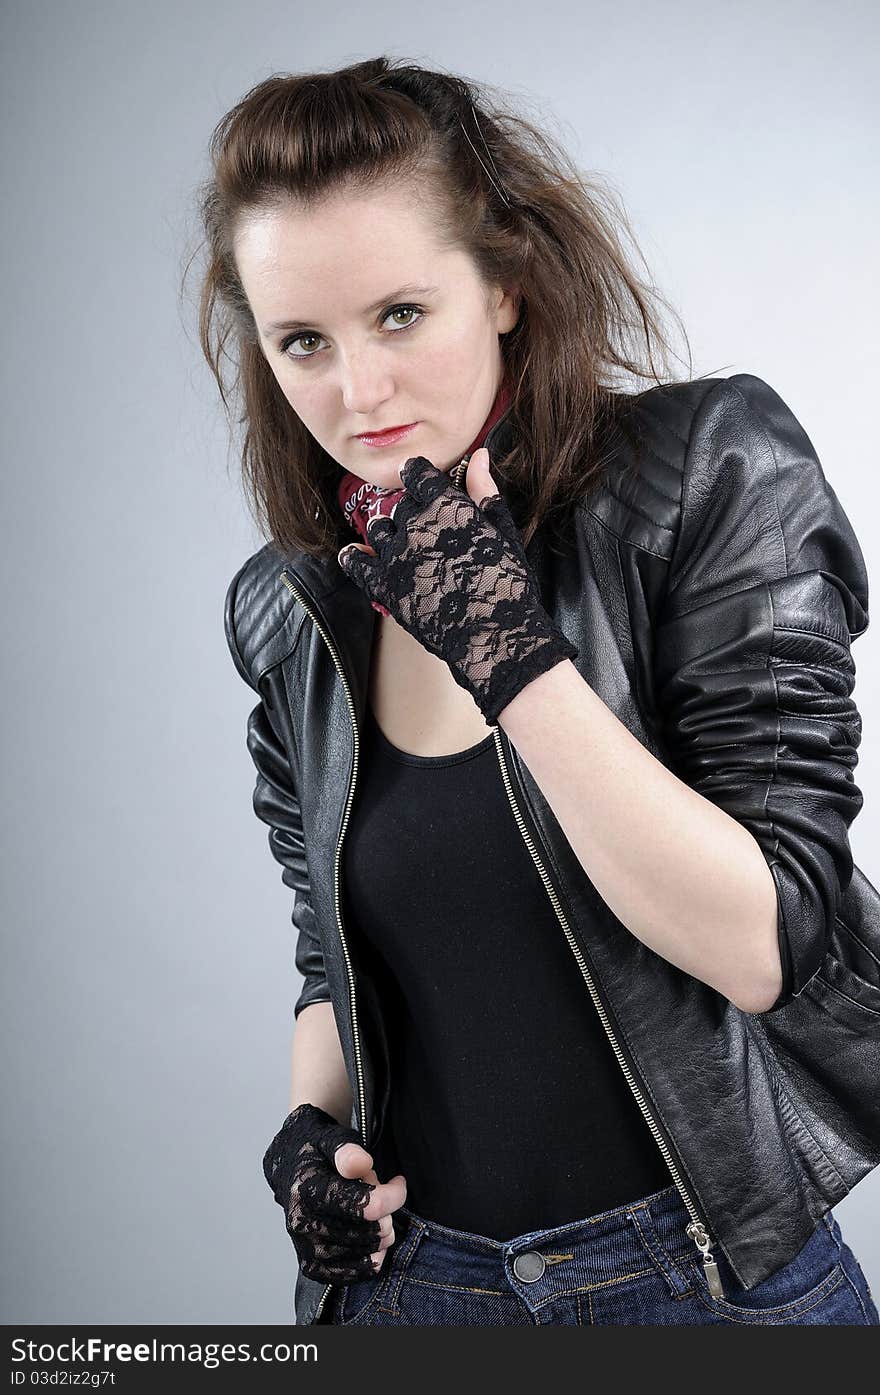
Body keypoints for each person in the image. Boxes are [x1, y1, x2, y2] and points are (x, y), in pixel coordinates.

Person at [195, 56, 880, 1325]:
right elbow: (327, 947)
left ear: (506, 285)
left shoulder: (704, 475)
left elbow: (766, 944)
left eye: (400, 313)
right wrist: (310, 1126)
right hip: (411, 1294)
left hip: (691, 1285)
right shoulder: (289, 606)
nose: (358, 394)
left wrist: (512, 659)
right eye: (303, 340)